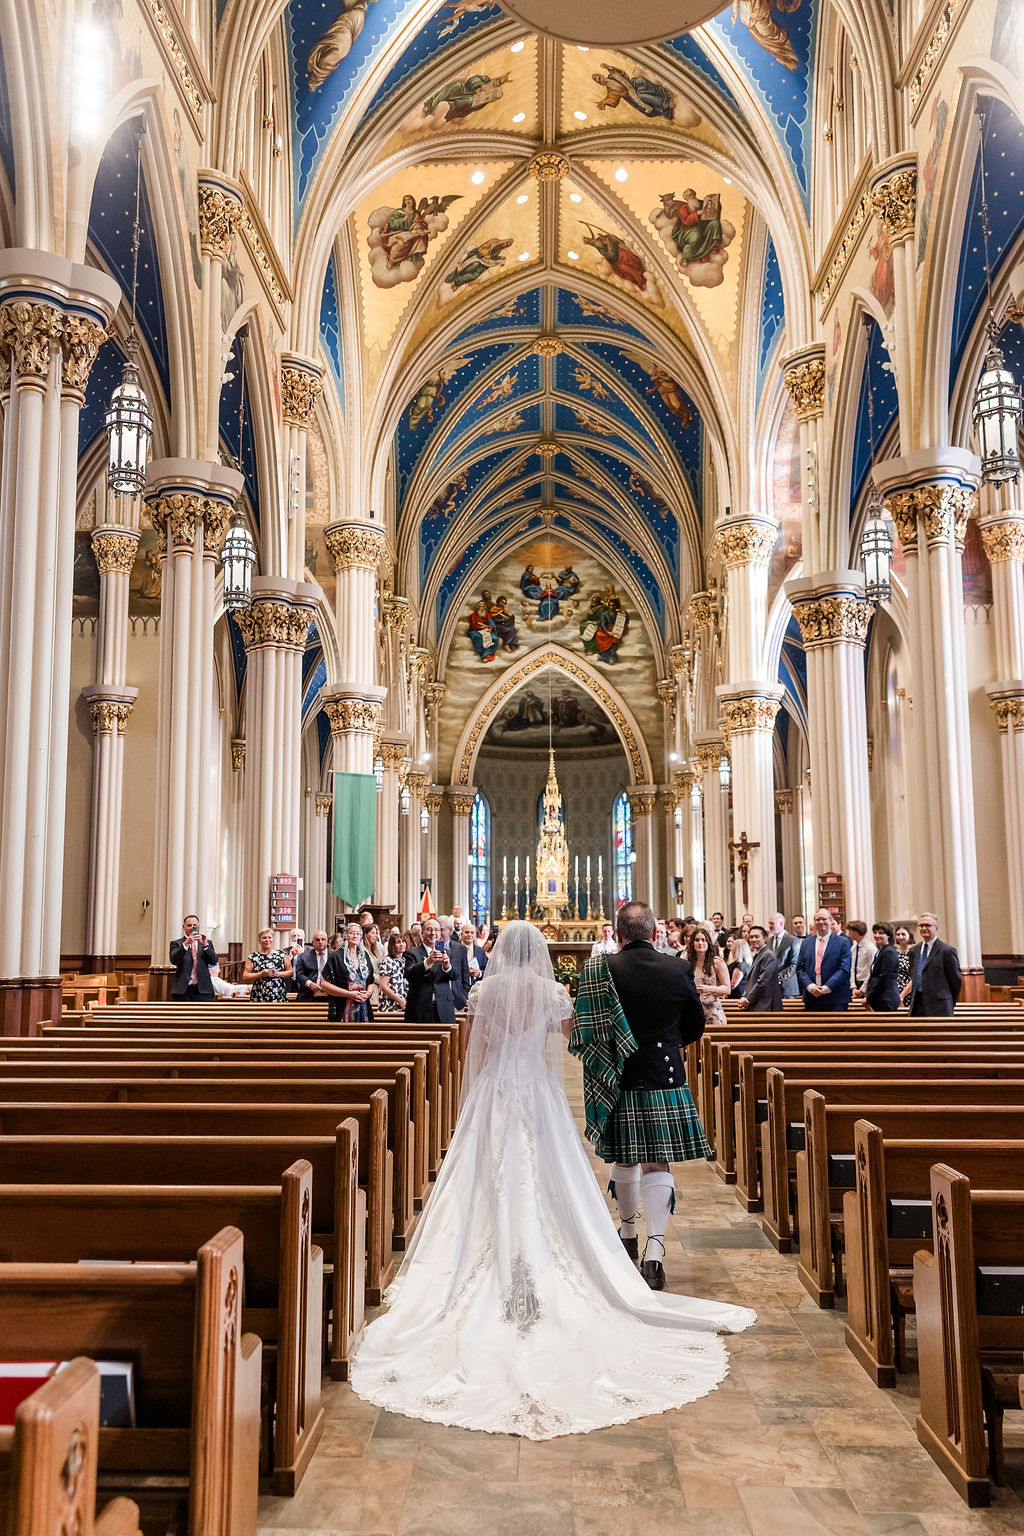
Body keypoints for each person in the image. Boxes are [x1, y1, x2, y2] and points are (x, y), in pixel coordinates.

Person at [349, 920, 754, 1438]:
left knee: (488, 1173)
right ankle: (635, 1243)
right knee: (552, 1172)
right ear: (538, 952)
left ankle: (539, 1246)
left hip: (496, 1092)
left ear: (502, 952)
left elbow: (479, 1046)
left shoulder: (485, 989)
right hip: (541, 1093)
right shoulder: (551, 991)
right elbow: (577, 1042)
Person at [575, 902, 720, 1292]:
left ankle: (626, 1235)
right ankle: (654, 1256)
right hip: (664, 1073)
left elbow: (586, 1030)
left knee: (625, 1156)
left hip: (618, 1077)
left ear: (618, 934)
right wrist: (666, 1047)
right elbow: (694, 1025)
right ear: (655, 932)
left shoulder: (600, 969)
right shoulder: (678, 969)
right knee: (658, 1163)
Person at [404, 917, 460, 1022]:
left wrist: (447, 966)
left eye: (436, 930)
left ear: (440, 933)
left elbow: (455, 975)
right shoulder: (411, 953)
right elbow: (409, 974)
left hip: (444, 1007)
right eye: (429, 929)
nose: (433, 933)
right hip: (419, 1007)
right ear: (422, 933)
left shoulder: (448, 952)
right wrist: (427, 962)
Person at [796, 908, 852, 1011]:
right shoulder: (806, 943)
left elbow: (844, 969)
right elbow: (800, 969)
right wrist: (811, 986)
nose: (821, 922)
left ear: (831, 920)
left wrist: (826, 987)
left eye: (824, 919)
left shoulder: (843, 942)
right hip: (812, 997)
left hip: (836, 997)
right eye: (817, 919)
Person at [906, 912, 962, 1015]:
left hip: (939, 1006)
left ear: (936, 928)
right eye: (921, 925)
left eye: (927, 925)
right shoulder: (914, 950)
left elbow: (956, 981)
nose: (923, 928)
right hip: (918, 1004)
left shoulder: (947, 951)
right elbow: (913, 974)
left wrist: (948, 1002)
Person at [321, 922, 375, 1021]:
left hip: (364, 1007)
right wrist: (348, 994)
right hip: (343, 1006)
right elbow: (324, 985)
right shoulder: (336, 956)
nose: (355, 936)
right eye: (352, 933)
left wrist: (368, 993)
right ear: (346, 935)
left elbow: (371, 981)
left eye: (358, 933)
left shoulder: (365, 956)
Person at [687, 927, 730, 1027]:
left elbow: (727, 989)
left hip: (713, 1011)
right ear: (692, 943)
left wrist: (708, 988)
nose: (700, 943)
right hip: (694, 1011)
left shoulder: (717, 962)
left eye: (703, 940)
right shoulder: (688, 963)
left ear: (708, 942)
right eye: (697, 940)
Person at [169, 915, 217, 1000]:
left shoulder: (207, 942)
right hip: (182, 990)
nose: (192, 927)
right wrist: (186, 944)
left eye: (194, 925)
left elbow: (213, 961)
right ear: (184, 927)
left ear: (198, 926)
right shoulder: (176, 943)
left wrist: (205, 946)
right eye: (189, 925)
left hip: (203, 990)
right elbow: (174, 960)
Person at [242, 928, 293, 1002]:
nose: (267, 940)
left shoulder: (281, 954)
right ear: (259, 940)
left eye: (269, 937)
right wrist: (261, 974)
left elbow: (291, 972)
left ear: (273, 939)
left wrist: (278, 974)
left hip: (278, 992)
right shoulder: (253, 957)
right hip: (259, 992)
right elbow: (245, 975)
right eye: (264, 937)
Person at [737, 926, 782, 1010]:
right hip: (758, 1003)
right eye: (751, 937)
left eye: (757, 937)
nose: (753, 939)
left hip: (765, 1005)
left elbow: (763, 981)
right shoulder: (759, 954)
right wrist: (744, 996)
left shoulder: (768, 955)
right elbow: (751, 980)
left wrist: (748, 999)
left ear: (765, 938)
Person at [864, 923, 901, 1012]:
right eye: (875, 932)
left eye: (881, 933)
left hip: (886, 998)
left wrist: (869, 997)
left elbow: (883, 978)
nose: (877, 935)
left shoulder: (889, 952)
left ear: (888, 935)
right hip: (880, 998)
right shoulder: (881, 951)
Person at [439, 916, 472, 1007]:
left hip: (457, 998)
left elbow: (465, 973)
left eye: (441, 929)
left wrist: (464, 995)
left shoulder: (460, 948)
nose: (438, 933)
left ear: (450, 931)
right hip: (438, 999)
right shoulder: (431, 948)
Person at [766, 912, 800, 998]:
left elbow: (794, 964)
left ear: (781, 923)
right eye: (769, 923)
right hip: (772, 987)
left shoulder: (792, 940)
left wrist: (779, 977)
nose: (770, 926)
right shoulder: (769, 940)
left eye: (772, 923)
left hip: (788, 986)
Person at [292, 929, 330, 1001]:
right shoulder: (304, 956)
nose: (320, 942)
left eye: (323, 939)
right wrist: (310, 984)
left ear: (327, 941)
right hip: (309, 995)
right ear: (313, 943)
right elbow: (299, 974)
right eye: (317, 940)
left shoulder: (334, 956)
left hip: (330, 996)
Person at [376, 932, 409, 1014]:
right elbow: (383, 986)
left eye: (403, 941)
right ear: (392, 945)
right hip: (389, 1004)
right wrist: (399, 1000)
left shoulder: (405, 961)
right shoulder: (388, 961)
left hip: (403, 1004)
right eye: (398, 942)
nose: (402, 944)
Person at [846, 920, 876, 998]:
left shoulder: (870, 948)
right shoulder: (854, 947)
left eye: (850, 931)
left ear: (856, 933)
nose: (848, 934)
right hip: (856, 985)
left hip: (866, 985)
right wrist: (853, 986)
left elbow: (872, 971)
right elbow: (852, 968)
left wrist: (863, 989)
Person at [725, 931, 752, 998]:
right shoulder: (746, 964)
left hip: (736, 996)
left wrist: (723, 992)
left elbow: (733, 984)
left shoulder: (739, 966)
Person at [893, 924, 914, 1004]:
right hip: (895, 991)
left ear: (910, 935)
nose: (900, 937)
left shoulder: (914, 952)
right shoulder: (894, 952)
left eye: (903, 934)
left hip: (909, 991)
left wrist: (903, 994)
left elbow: (915, 976)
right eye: (898, 934)